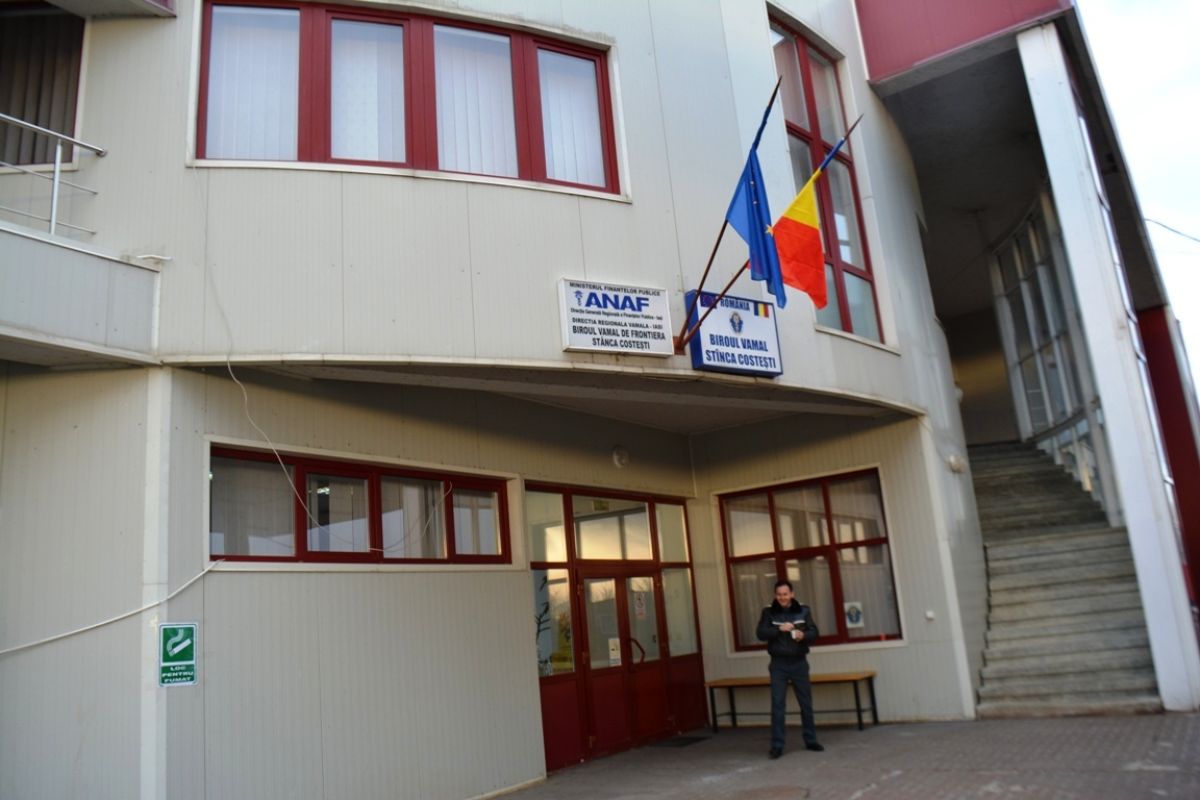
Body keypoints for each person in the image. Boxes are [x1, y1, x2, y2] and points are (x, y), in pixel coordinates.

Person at [756, 579, 823, 759]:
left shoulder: (804, 610)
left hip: (799, 662)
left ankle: (811, 740)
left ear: (792, 594)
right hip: (778, 664)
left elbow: (814, 632)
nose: (782, 597)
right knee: (778, 704)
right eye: (779, 595)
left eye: (785, 594)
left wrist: (804, 635)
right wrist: (778, 630)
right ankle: (777, 746)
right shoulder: (768, 612)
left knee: (806, 703)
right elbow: (760, 633)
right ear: (775, 595)